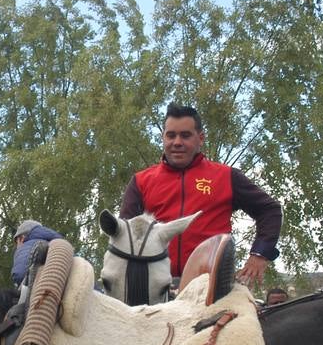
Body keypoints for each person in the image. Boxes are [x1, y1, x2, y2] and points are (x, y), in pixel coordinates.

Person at [120, 103, 283, 289]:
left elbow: (269, 210)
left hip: (214, 287)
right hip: (155, 288)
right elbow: (124, 233)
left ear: (201, 138)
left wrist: (260, 255)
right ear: (163, 138)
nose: (177, 142)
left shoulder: (226, 176)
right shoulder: (141, 181)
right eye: (171, 135)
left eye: (186, 135)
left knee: (249, 319)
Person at [11, 219, 64, 285]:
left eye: (17, 243)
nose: (17, 247)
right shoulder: (59, 244)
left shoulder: (27, 245)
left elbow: (19, 275)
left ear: (21, 238)